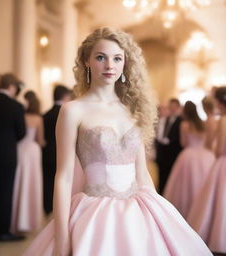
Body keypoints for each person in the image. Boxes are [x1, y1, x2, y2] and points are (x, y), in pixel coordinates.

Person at [24, 27, 212, 256]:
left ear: (125, 63)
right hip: (94, 214)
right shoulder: (73, 110)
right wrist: (62, 238)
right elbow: (63, 177)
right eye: (101, 57)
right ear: (86, 61)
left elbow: (142, 173)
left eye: (117, 58)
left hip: (139, 209)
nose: (109, 65)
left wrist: (159, 217)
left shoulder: (133, 109)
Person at [187, 87, 226, 254]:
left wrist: (214, 149)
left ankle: (221, 239)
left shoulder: (225, 120)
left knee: (222, 202)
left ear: (221, 102)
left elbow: (220, 149)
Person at [164, 101, 215, 219]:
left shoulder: (185, 124)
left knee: (184, 186)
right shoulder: (203, 123)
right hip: (204, 156)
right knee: (201, 182)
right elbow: (208, 141)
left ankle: (185, 212)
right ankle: (200, 210)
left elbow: (183, 142)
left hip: (189, 154)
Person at [0, 73, 26, 241]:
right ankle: (1, 232)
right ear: (12, 87)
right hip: (6, 155)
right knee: (4, 193)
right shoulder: (15, 106)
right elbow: (21, 133)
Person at [11, 91, 45, 233]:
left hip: (18, 149)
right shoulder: (37, 118)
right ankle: (28, 221)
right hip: (32, 152)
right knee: (30, 183)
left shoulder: (21, 115)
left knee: (17, 184)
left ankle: (14, 219)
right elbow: (41, 140)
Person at [42, 85, 72, 214]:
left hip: (47, 153)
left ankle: (48, 208)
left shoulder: (45, 114)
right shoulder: (66, 113)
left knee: (47, 181)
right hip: (62, 153)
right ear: (65, 96)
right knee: (61, 181)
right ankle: (59, 209)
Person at [155, 98, 183, 194]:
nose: (172, 109)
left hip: (174, 154)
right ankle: (161, 193)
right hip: (162, 153)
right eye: (170, 107)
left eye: (174, 107)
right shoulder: (164, 119)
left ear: (178, 107)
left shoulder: (182, 121)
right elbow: (159, 134)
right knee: (161, 177)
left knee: (171, 178)